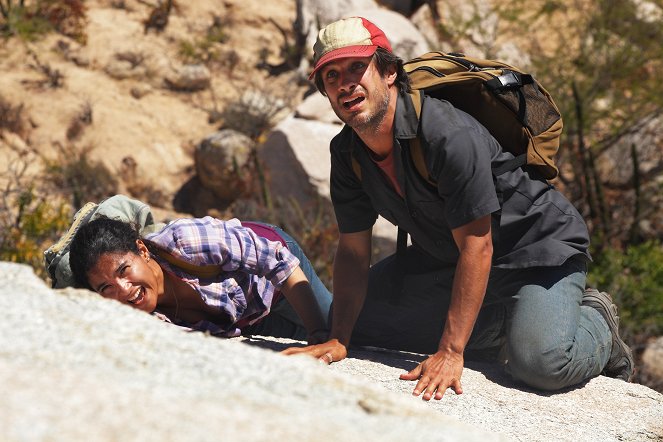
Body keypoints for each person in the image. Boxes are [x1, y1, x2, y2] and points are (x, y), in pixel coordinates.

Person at [283, 16, 633, 398]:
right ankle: (502, 321)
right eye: (331, 76)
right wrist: (338, 338)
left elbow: (477, 246)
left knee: (539, 364)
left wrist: (451, 351)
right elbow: (352, 251)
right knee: (353, 321)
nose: (346, 83)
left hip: (533, 250)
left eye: (357, 67)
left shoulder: (446, 135)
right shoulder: (347, 152)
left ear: (388, 73)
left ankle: (596, 320)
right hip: (446, 256)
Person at [69, 215, 331, 342]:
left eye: (123, 270)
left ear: (143, 250)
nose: (123, 290)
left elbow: (274, 261)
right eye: (106, 288)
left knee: (341, 330)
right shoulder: (145, 321)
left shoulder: (184, 241)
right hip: (247, 317)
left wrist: (320, 335)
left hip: (278, 275)